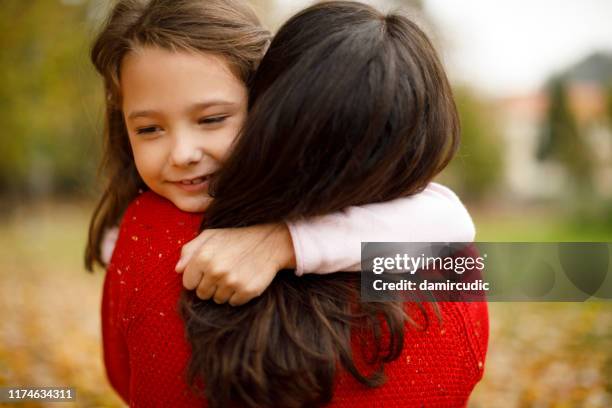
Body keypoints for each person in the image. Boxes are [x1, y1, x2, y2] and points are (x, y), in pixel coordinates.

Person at [90, 0, 487, 406]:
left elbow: (127, 379)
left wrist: (285, 241)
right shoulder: (454, 278)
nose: (183, 153)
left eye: (212, 119)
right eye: (149, 128)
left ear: (269, 104)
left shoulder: (148, 236)